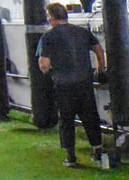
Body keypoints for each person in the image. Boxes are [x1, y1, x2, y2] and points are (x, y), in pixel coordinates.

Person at [37, 2, 106, 168]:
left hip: (63, 84)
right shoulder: (82, 32)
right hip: (84, 82)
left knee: (66, 120)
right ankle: (98, 151)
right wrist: (100, 69)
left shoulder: (48, 36)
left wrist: (48, 72)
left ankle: (71, 157)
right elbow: (99, 50)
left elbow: (44, 63)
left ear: (51, 17)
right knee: (90, 116)